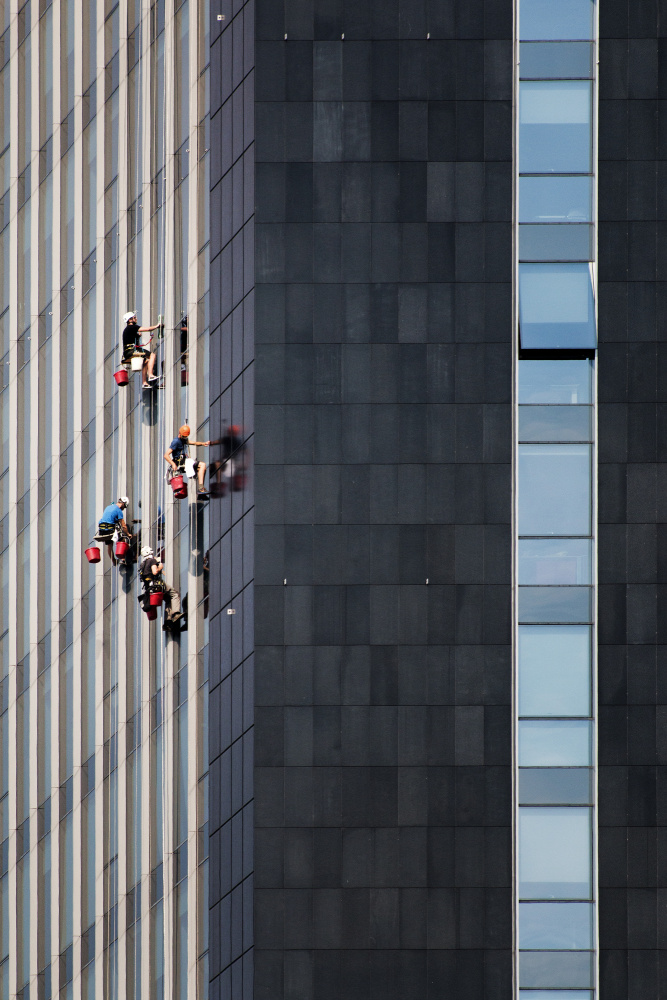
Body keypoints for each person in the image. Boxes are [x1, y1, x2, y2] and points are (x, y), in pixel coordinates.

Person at [138, 545, 184, 631]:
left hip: (149, 587)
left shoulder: (143, 564)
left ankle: (168, 622)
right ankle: (175, 614)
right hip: (156, 585)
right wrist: (160, 567)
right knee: (175, 594)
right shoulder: (151, 561)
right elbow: (155, 572)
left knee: (168, 599)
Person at [164, 424, 211, 498]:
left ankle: (201, 492)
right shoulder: (176, 441)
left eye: (186, 436)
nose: (185, 438)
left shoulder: (184, 440)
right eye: (184, 436)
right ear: (180, 434)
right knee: (202, 465)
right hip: (180, 463)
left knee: (202, 468)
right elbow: (166, 455)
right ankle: (201, 489)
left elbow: (194, 443)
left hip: (184, 462)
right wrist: (173, 464)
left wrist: (203, 443)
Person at [121, 310, 161, 388]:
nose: (136, 319)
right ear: (130, 320)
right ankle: (150, 375)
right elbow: (149, 329)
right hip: (131, 351)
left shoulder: (128, 329)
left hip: (128, 352)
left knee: (146, 361)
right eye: (134, 318)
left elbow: (130, 338)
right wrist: (157, 326)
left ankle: (144, 383)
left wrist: (137, 335)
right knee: (152, 355)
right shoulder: (132, 327)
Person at [95, 496, 130, 563]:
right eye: (124, 507)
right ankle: (122, 557)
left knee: (109, 545)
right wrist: (128, 534)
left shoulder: (108, 507)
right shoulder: (118, 510)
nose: (123, 509)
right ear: (123, 504)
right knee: (122, 539)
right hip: (110, 529)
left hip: (102, 530)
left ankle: (113, 561)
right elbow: (124, 526)